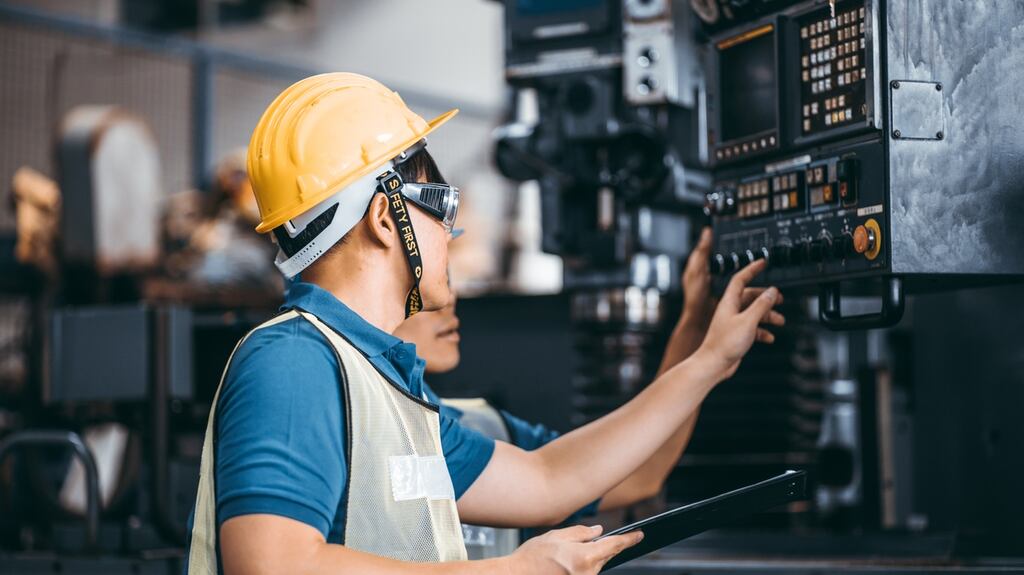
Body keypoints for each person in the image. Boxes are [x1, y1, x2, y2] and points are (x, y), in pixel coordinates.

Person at [186, 72, 784, 575]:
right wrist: (509, 571)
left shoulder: (391, 390)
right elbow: (272, 563)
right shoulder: (294, 361)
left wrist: (711, 360)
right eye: (440, 204)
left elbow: (548, 478)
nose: (452, 229)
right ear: (384, 219)